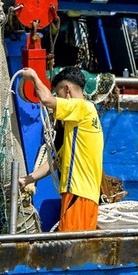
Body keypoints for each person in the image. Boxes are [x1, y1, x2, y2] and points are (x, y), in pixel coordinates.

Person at [18, 66, 104, 231]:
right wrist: (28, 179)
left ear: (67, 90)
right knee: (76, 250)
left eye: (59, 94)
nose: (57, 100)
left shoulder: (82, 107)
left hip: (78, 194)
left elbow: (46, 100)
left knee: (70, 249)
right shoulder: (78, 132)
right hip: (84, 196)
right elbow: (55, 163)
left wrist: (34, 76)